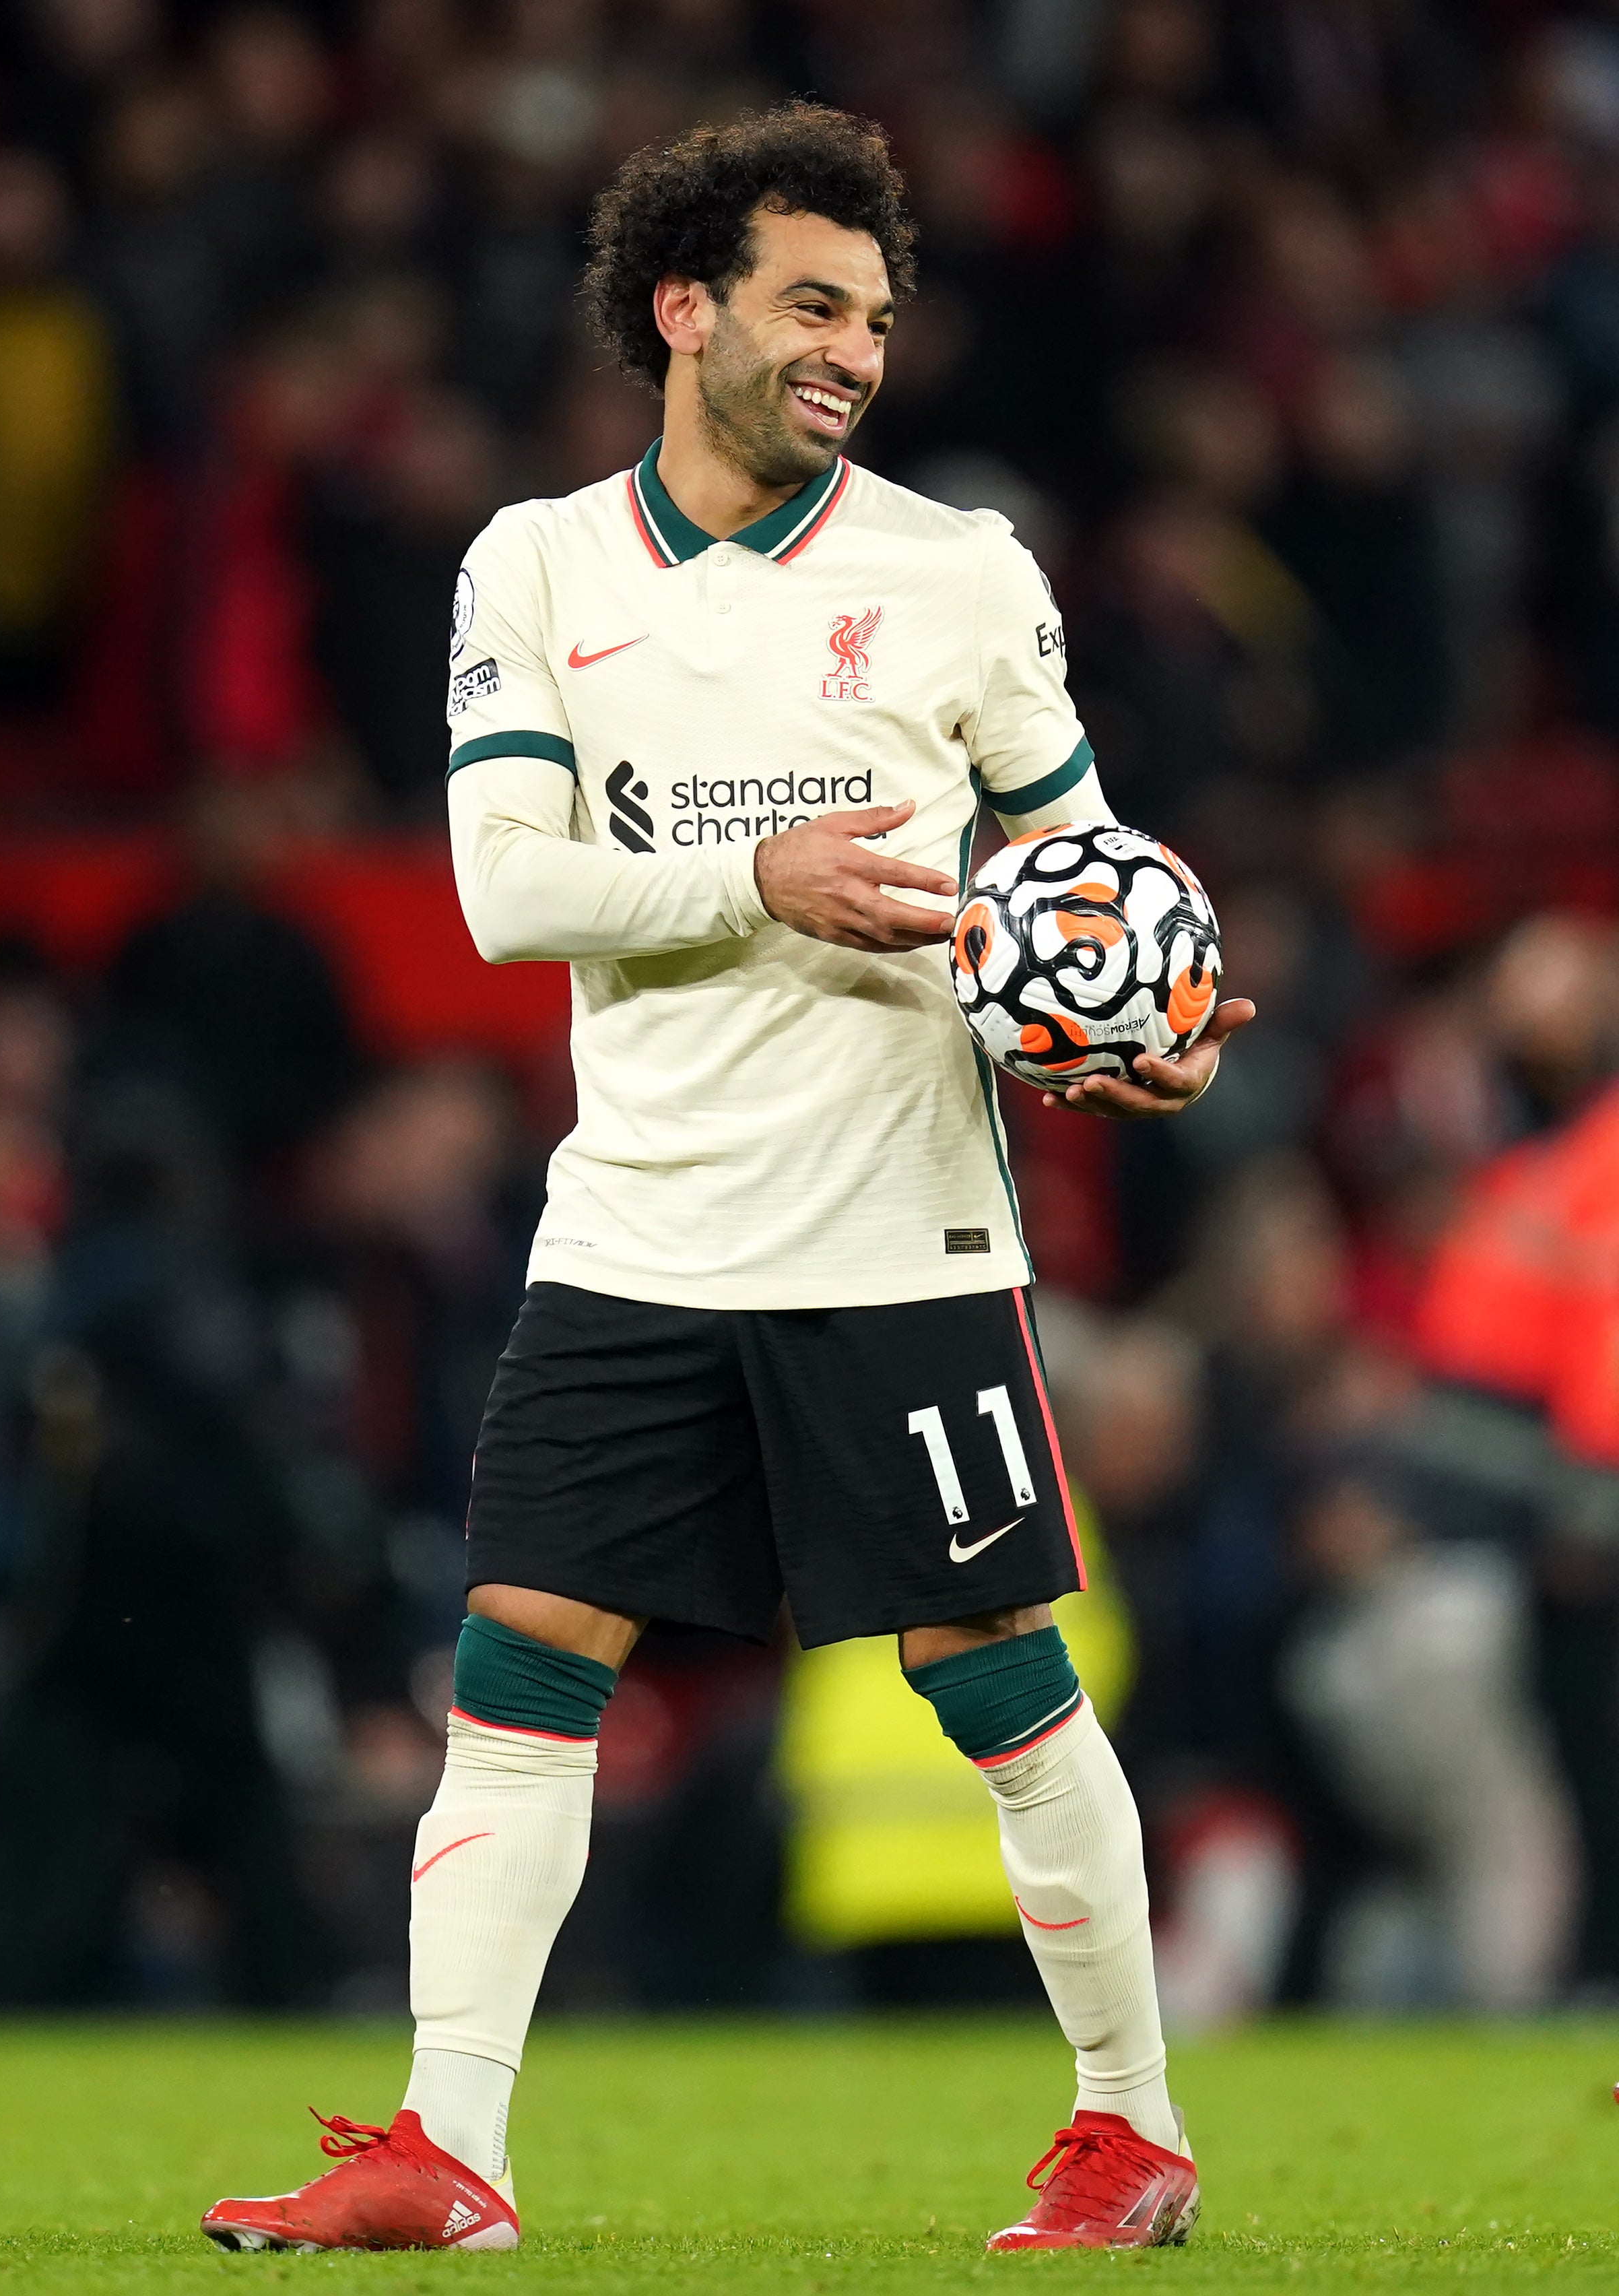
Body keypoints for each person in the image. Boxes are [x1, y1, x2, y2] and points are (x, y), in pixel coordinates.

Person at [201, 101, 1253, 2258]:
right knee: (519, 1654)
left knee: (993, 1667)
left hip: (897, 1229)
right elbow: (507, 889)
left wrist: (1131, 1026)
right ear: (684, 309)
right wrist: (760, 881)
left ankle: (1130, 2125)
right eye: (811, 303)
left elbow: (1080, 873)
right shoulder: (539, 565)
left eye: (876, 313)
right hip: (638, 1225)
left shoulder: (961, 574)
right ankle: (448, 2147)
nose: (856, 348)